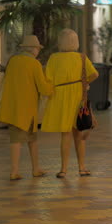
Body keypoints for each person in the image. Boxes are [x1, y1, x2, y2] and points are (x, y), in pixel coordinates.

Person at [41, 29, 99, 178]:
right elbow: (94, 74)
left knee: (65, 135)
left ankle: (63, 169)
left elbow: (48, 79)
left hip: (60, 96)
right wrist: (83, 83)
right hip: (78, 95)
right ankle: (81, 168)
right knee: (79, 133)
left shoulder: (54, 58)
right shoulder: (81, 57)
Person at [0, 35, 54, 180]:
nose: (38, 51)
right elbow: (43, 88)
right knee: (28, 140)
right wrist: (52, 87)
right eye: (38, 48)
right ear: (34, 49)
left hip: (12, 107)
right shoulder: (34, 64)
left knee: (23, 139)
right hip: (27, 110)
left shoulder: (13, 61)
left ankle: (34, 169)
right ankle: (16, 171)